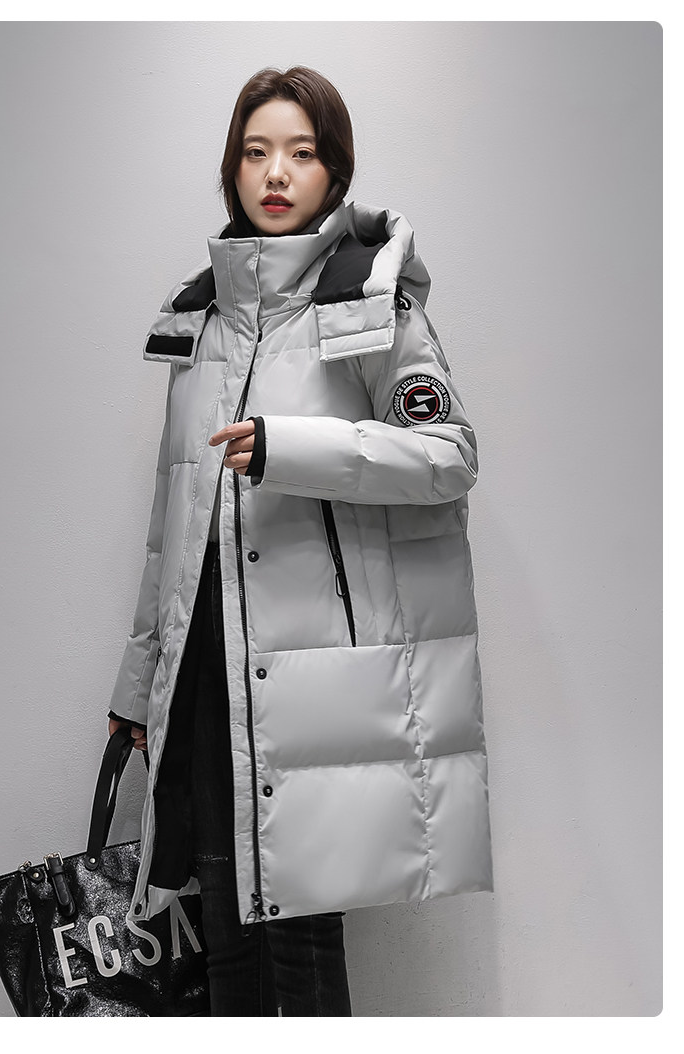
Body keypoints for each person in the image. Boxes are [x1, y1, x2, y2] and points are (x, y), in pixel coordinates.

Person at [107, 66, 494, 1017]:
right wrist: (137, 689)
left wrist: (293, 449)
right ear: (232, 170)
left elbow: (448, 456)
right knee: (224, 938)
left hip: (315, 682)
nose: (275, 172)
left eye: (301, 152)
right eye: (255, 152)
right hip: (208, 675)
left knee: (302, 951)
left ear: (335, 172)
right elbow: (170, 526)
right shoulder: (198, 320)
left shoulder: (371, 303)